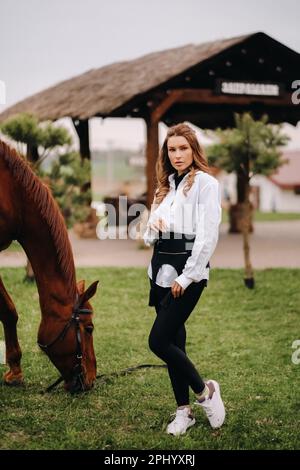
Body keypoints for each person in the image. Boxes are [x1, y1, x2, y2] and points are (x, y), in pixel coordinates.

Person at [143, 123, 225, 436]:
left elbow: (208, 234)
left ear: (193, 150)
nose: (177, 155)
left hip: (187, 273)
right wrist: (155, 226)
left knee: (158, 341)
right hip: (159, 271)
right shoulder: (163, 187)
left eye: (183, 148)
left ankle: (205, 392)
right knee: (174, 341)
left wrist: (189, 276)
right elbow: (149, 236)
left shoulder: (205, 183)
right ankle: (183, 412)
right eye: (172, 149)